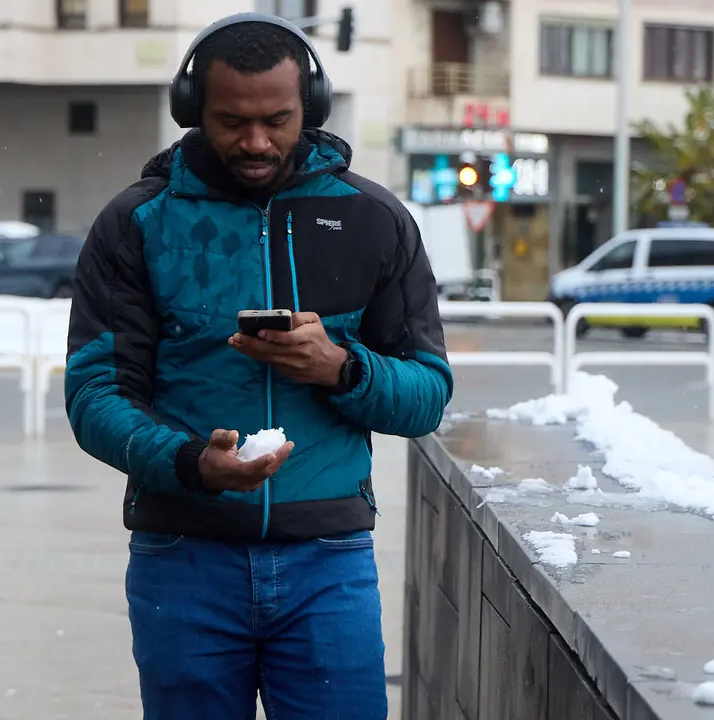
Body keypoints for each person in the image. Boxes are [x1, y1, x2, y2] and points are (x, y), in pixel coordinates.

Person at [63, 13, 452, 720]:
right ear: (191, 110)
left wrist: (339, 367)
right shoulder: (136, 223)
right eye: (230, 120)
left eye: (276, 120)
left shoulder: (373, 219)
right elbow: (94, 396)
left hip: (327, 558)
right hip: (182, 553)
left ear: (312, 105)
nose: (254, 141)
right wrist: (189, 462)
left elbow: (426, 397)